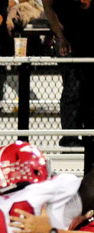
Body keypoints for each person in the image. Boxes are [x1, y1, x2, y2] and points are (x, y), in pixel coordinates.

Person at [46, 0, 94, 147]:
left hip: (83, 38)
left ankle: (86, 135)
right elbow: (48, 8)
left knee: (85, 88)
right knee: (73, 86)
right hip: (69, 37)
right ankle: (70, 136)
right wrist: (61, 36)